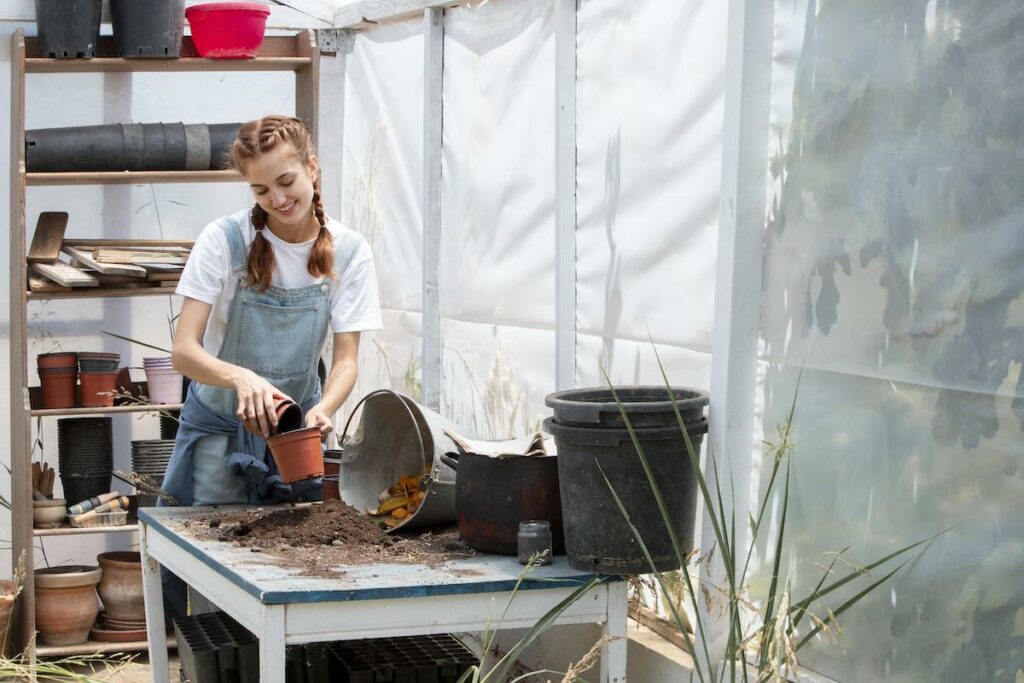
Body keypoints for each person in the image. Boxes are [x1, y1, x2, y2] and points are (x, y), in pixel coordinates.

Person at [159, 115, 382, 616]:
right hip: (219, 436)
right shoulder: (224, 240)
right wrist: (240, 376)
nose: (277, 200)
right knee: (211, 589)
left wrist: (324, 408)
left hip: (292, 443)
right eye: (260, 190)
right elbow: (183, 351)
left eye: (286, 182)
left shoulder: (348, 251)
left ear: (312, 168)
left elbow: (346, 361)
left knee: (290, 580)